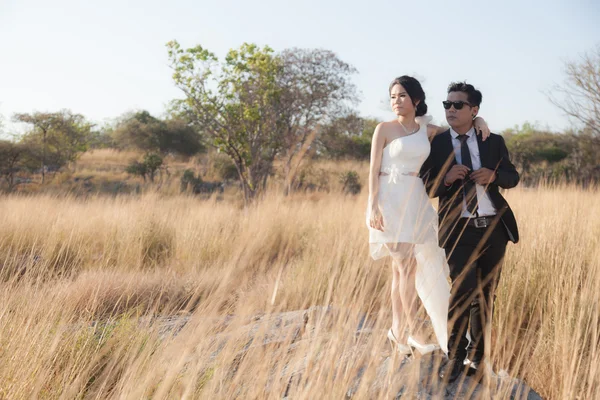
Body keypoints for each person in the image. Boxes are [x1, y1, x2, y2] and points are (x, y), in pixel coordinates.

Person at [366, 76, 490, 356]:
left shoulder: (427, 130)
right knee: (404, 265)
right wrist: (373, 205)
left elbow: (458, 127)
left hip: (417, 201)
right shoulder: (383, 129)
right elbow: (372, 169)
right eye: (393, 97)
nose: (396, 102)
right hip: (389, 200)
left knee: (405, 269)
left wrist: (479, 121)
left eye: (402, 96)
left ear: (416, 100)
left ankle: (397, 333)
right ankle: (413, 333)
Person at [419, 82, 519, 382]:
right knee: (461, 293)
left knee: (486, 297)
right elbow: (427, 186)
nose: (450, 109)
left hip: (494, 228)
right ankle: (454, 359)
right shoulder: (436, 144)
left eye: (457, 105)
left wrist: (494, 175)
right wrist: (446, 177)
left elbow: (513, 177)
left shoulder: (493, 141)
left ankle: (478, 361)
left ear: (474, 110)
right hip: (458, 229)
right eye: (447, 104)